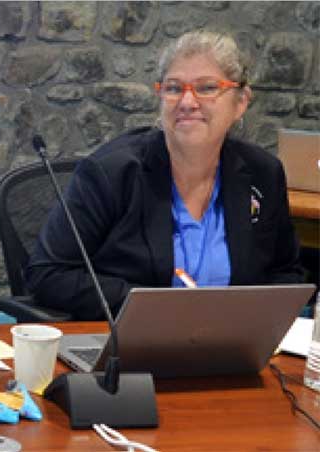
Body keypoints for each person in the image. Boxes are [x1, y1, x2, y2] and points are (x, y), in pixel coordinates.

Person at [25, 30, 304, 320]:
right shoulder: (112, 172)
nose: (187, 101)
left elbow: (286, 273)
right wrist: (154, 307)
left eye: (206, 88)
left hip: (232, 350)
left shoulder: (263, 174)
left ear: (241, 101)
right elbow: (47, 273)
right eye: (173, 88)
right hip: (131, 347)